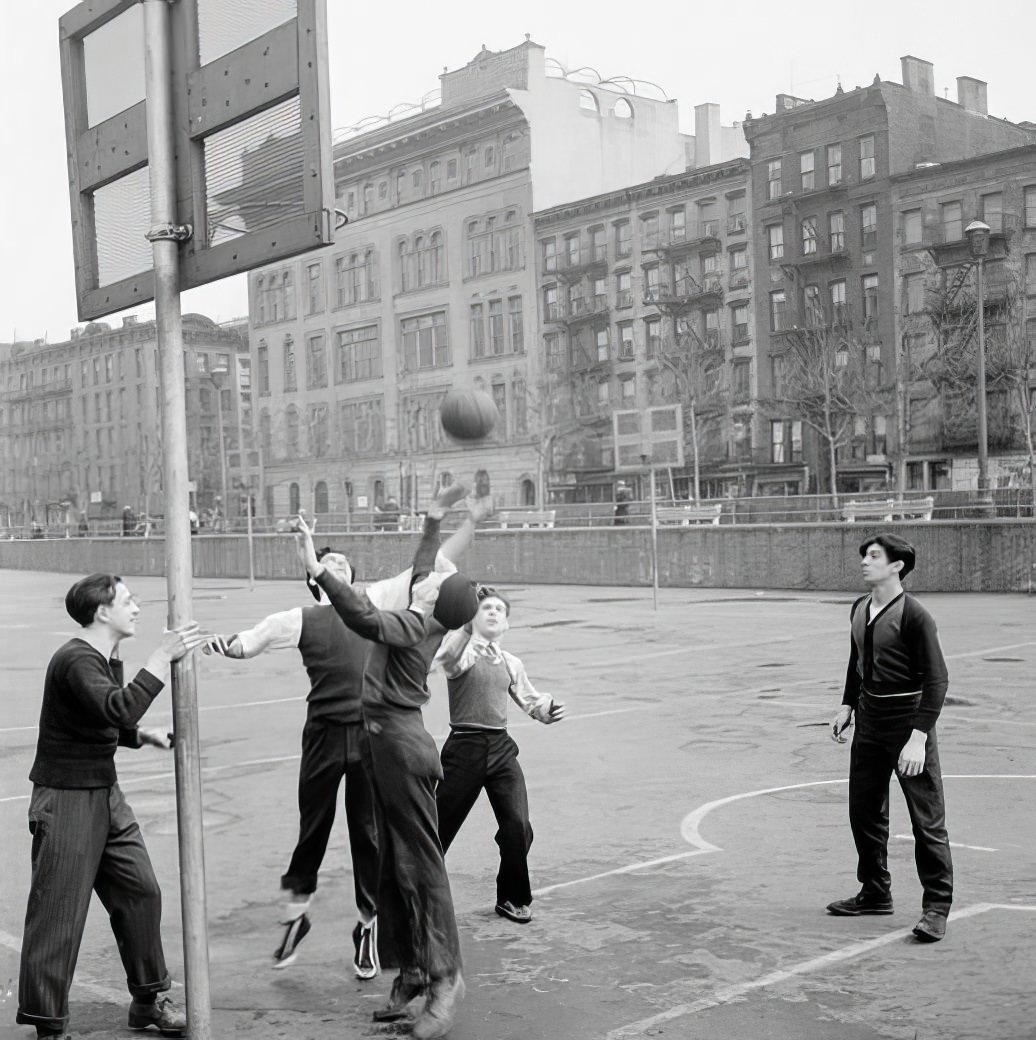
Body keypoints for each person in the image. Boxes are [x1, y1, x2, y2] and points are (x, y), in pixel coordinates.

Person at [202, 483, 477, 977]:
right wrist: (222, 644)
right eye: (330, 569)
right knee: (315, 829)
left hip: (381, 738)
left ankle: (372, 932)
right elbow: (252, 639)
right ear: (315, 583)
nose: (340, 570)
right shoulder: (302, 617)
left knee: (371, 837)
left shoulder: (389, 609)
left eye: (344, 566)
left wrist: (318, 563)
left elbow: (399, 582)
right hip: (331, 734)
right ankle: (295, 914)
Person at [296, 508, 481, 1040]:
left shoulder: (415, 626)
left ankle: (447, 978)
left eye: (427, 580)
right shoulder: (429, 608)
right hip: (381, 744)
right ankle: (415, 970)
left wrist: (319, 568)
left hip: (402, 748)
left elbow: (362, 616)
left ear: (429, 597)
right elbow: (425, 562)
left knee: (422, 867)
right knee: (389, 866)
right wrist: (430, 523)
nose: (421, 575)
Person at [16, 573, 207, 1039]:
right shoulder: (76, 658)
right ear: (102, 612)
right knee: (59, 912)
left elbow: (106, 719)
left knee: (141, 892)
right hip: (66, 797)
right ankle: (48, 1024)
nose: (137, 607)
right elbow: (118, 708)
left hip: (103, 792)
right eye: (128, 600)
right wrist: (161, 657)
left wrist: (141, 736)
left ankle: (147, 1000)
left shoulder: (101, 657)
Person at [828, 534, 953, 943]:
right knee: (863, 812)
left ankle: (936, 908)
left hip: (907, 721)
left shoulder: (915, 615)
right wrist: (847, 705)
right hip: (870, 719)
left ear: (897, 566)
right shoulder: (859, 607)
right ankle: (875, 892)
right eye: (865, 555)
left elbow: (937, 679)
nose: (865, 561)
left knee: (926, 820)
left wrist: (918, 737)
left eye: (874, 556)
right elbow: (856, 658)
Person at [433, 587, 566, 925]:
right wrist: (465, 621)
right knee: (437, 829)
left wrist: (546, 710)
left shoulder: (510, 661)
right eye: (485, 608)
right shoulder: (460, 650)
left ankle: (511, 897)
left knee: (518, 826)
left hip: (501, 749)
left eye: (498, 610)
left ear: (506, 624)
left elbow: (532, 700)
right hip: (464, 747)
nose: (492, 612)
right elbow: (447, 660)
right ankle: (414, 895)